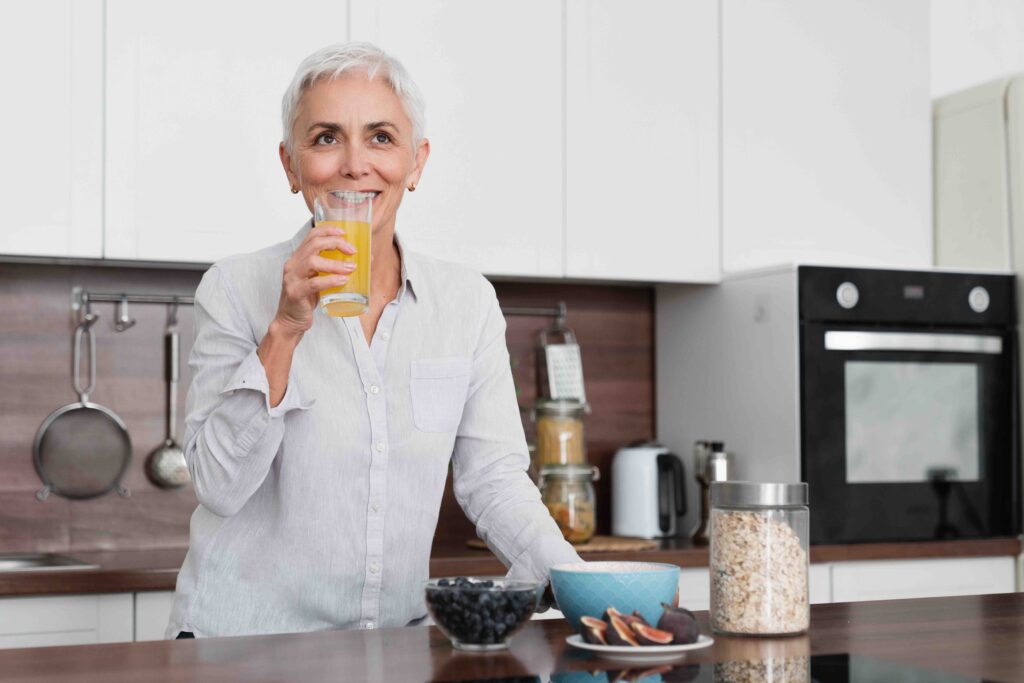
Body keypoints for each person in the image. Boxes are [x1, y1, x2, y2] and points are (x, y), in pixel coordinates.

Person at [165, 42, 583, 638]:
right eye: (327, 138)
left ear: (416, 163)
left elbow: (492, 479)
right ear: (291, 165)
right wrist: (284, 328)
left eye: (381, 137)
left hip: (393, 652)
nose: (354, 165)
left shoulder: (466, 303)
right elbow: (217, 487)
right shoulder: (233, 288)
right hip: (242, 646)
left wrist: (582, 589)